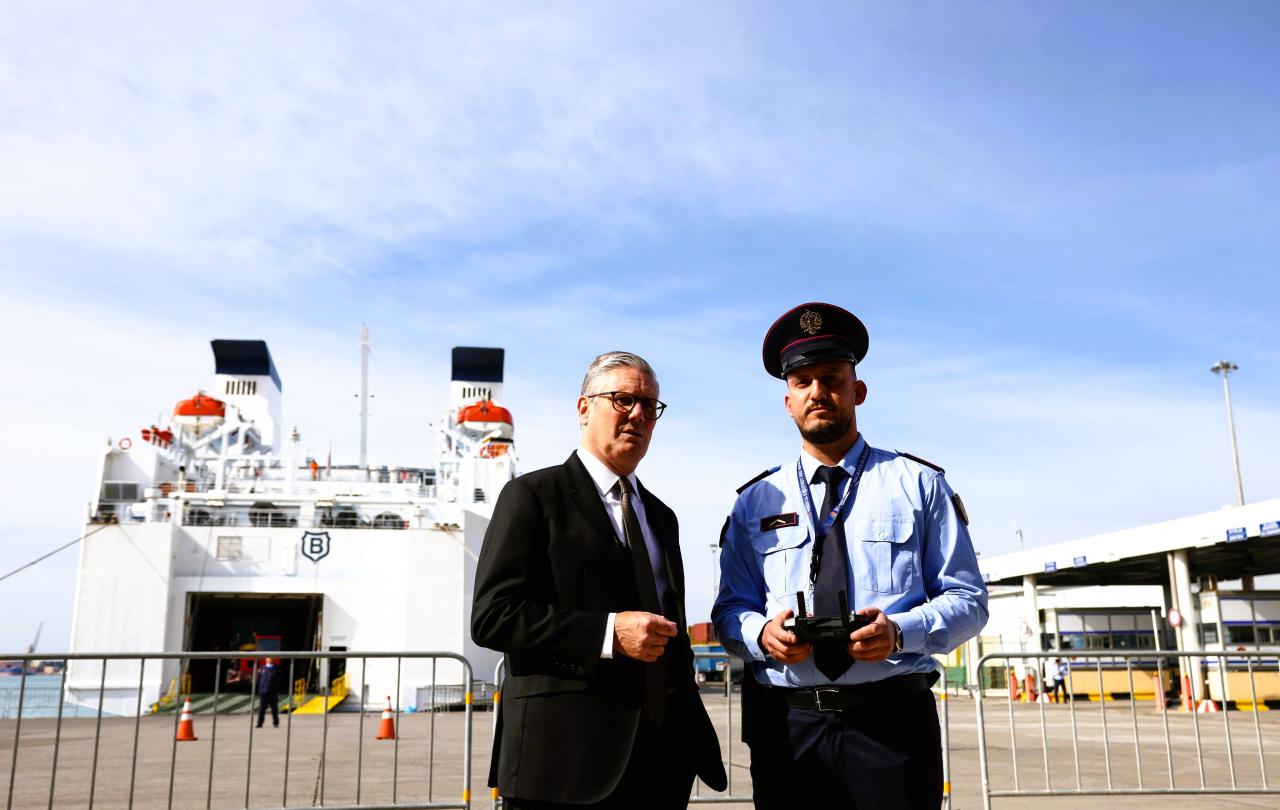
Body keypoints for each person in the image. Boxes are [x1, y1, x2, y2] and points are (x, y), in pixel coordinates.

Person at [712, 302, 989, 809]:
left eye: (831, 378)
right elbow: (729, 610)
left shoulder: (920, 486)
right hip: (788, 729)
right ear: (788, 401)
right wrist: (763, 635)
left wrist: (901, 632)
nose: (818, 392)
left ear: (857, 390)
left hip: (891, 727)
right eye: (803, 382)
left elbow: (969, 598)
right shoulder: (755, 502)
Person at [472, 351, 726, 810]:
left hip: (660, 766)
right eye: (623, 399)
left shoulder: (661, 517)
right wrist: (608, 634)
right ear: (583, 407)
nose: (638, 415)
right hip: (563, 767)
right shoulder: (532, 496)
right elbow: (493, 617)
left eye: (650, 406)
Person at [255, 658, 281, 728]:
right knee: (262, 708)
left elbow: (279, 678)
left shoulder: (277, 668)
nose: (270, 659)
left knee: (274, 708)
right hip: (264, 691)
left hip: (273, 691)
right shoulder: (262, 668)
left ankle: (276, 722)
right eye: (268, 658)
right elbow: (258, 679)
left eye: (271, 658)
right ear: (266, 659)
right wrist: (259, 689)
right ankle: (259, 723)